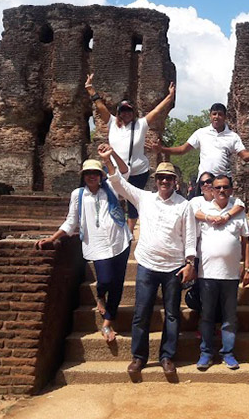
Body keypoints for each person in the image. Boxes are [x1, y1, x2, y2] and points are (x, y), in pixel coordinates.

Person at [103, 157, 196, 381]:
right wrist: (107, 161)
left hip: (173, 266)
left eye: (169, 178)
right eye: (161, 177)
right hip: (147, 264)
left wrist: (190, 263)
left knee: (172, 314)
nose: (164, 181)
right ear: (156, 181)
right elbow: (119, 184)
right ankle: (139, 357)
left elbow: (190, 237)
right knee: (141, 313)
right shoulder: (144, 198)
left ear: (175, 181)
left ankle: (167, 356)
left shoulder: (184, 205)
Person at [35, 144, 131, 342]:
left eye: (95, 173)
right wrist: (53, 238)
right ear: (83, 176)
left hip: (120, 241)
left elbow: (123, 172)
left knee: (117, 284)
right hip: (96, 244)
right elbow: (71, 221)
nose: (92, 176)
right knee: (104, 280)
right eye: (88, 173)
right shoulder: (78, 195)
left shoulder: (112, 188)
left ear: (101, 175)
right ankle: (100, 295)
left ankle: (107, 322)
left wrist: (108, 158)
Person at [85, 73, 176, 232]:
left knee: (133, 201)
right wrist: (91, 89)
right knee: (109, 196)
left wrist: (170, 97)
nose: (126, 114)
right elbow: (100, 107)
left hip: (137, 170)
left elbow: (156, 111)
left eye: (129, 111)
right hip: (115, 169)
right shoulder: (112, 123)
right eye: (123, 111)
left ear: (133, 113)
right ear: (119, 112)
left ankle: (130, 230)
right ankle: (110, 225)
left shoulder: (141, 124)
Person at [194, 175, 249, 371]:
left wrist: (248, 267)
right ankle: (206, 353)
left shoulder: (238, 211)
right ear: (211, 189)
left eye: (225, 187)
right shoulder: (204, 210)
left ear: (231, 190)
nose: (221, 191)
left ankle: (228, 353)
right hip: (207, 273)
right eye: (217, 187)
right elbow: (194, 237)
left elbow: (246, 241)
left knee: (229, 317)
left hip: (230, 274)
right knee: (207, 315)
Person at [154, 103, 249, 190]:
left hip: (223, 182)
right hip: (204, 181)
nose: (216, 117)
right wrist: (162, 149)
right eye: (214, 114)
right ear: (210, 116)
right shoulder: (201, 133)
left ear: (225, 117)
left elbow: (245, 157)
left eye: (220, 114)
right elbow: (183, 149)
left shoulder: (232, 136)